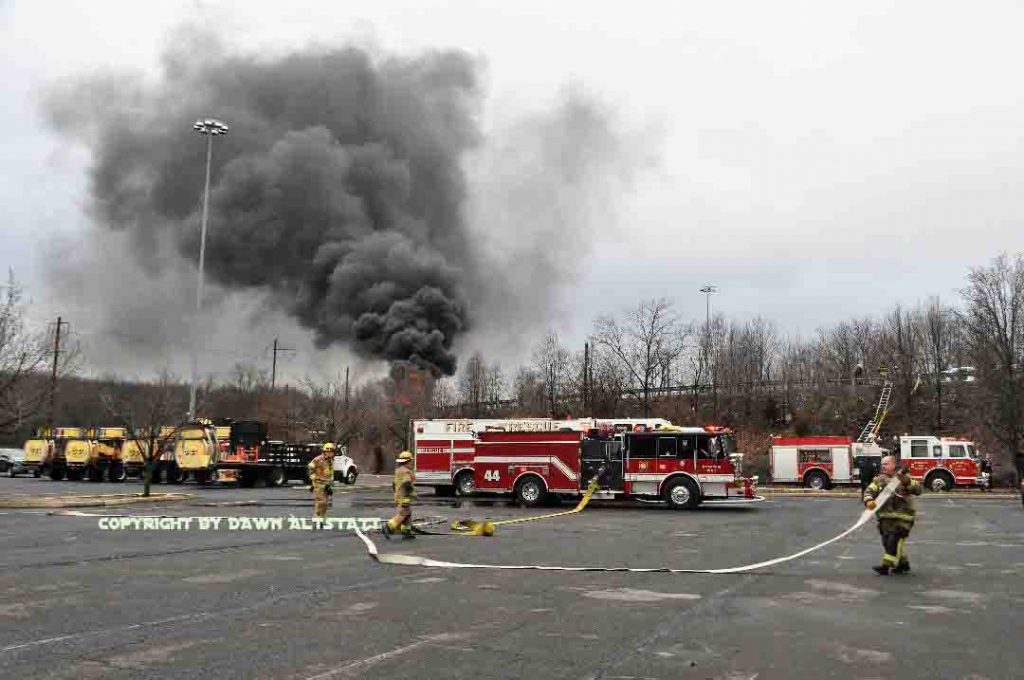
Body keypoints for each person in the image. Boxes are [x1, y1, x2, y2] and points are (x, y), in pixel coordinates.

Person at [863, 455, 922, 575]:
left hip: (903, 518)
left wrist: (907, 482)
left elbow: (918, 490)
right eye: (882, 464)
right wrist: (869, 501)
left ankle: (885, 566)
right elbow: (869, 491)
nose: (883, 466)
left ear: (894, 465)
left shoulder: (904, 478)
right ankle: (903, 564)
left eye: (886, 464)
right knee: (887, 542)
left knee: (894, 540)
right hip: (886, 518)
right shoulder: (879, 480)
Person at [383, 450, 416, 540]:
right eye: (411, 461)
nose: (412, 463)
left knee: (407, 514)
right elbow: (407, 484)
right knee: (403, 514)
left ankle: (406, 532)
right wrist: (411, 495)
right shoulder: (406, 472)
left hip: (399, 496)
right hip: (404, 497)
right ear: (407, 462)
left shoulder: (398, 471)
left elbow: (394, 484)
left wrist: (397, 495)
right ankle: (388, 526)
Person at [307, 443, 335, 520]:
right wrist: (314, 478)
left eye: (331, 452)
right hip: (318, 485)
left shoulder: (330, 461)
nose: (330, 453)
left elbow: (330, 472)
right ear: (324, 452)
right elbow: (310, 469)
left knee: (325, 503)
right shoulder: (317, 459)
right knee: (320, 501)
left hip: (326, 485)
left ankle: (322, 518)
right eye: (328, 452)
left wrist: (331, 480)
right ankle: (316, 516)